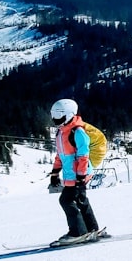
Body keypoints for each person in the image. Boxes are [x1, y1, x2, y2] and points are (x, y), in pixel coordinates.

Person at [49, 99, 103, 246]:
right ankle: (92, 228)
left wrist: (80, 177)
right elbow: (60, 155)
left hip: (79, 174)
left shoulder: (77, 132)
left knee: (66, 200)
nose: (55, 120)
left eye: (58, 117)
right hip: (72, 175)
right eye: (53, 116)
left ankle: (78, 232)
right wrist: (54, 173)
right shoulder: (61, 132)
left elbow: (83, 156)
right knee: (80, 199)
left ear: (69, 115)